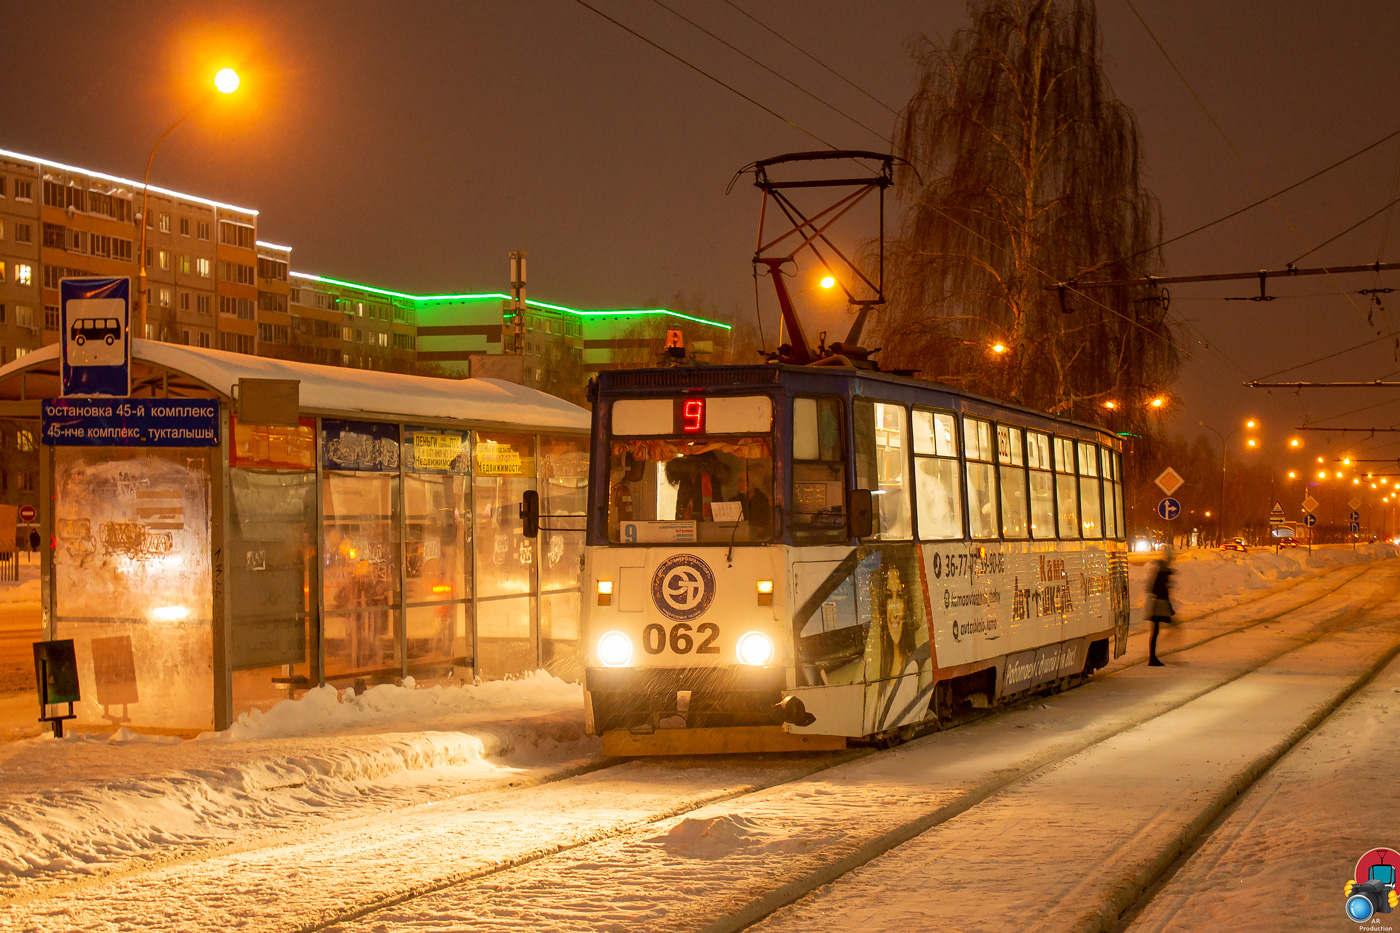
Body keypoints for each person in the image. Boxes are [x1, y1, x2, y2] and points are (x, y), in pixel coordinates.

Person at [1147, 552, 1174, 666]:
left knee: (1155, 631)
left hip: (1158, 604)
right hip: (1160, 605)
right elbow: (1162, 591)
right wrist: (1169, 607)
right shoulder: (1163, 574)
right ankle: (1152, 657)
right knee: (1156, 632)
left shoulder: (1160, 573)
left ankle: (1153, 656)